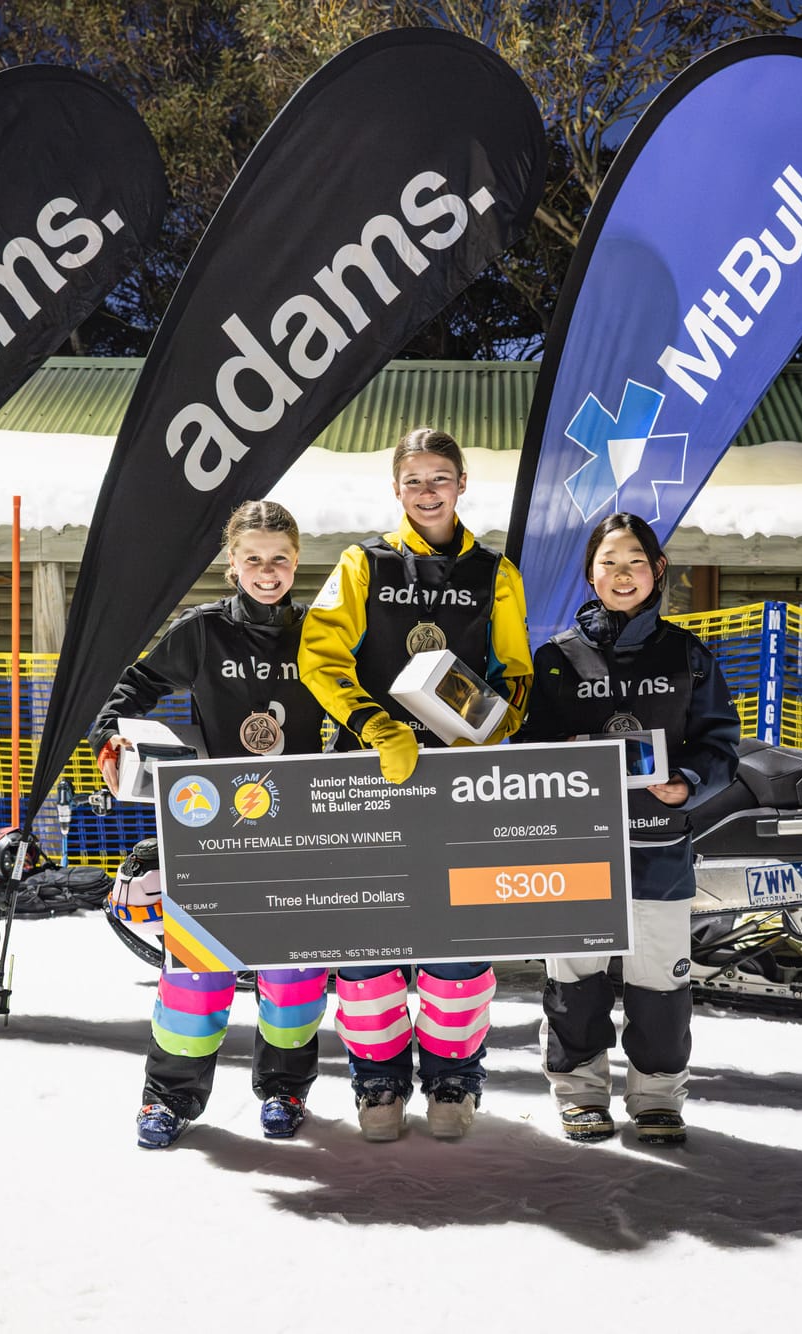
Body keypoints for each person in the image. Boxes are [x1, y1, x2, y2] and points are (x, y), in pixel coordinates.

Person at [298, 426, 531, 1142]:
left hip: (458, 783)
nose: (428, 492)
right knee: (369, 938)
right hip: (372, 774)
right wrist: (377, 727)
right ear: (395, 490)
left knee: (456, 937)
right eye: (414, 481)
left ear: (462, 484)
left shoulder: (497, 573)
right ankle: (378, 1081)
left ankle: (455, 1078)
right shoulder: (362, 563)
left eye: (440, 478)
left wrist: (497, 727)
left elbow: (513, 670)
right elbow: (320, 656)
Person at [87, 500, 330, 1149]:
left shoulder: (322, 633)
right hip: (212, 833)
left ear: (296, 560)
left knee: (294, 978)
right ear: (233, 563)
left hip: (297, 833)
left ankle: (283, 1090)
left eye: (279, 558)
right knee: (195, 979)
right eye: (254, 558)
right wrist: (111, 742)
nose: (268, 570)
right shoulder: (201, 631)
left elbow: (366, 709)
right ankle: (166, 1101)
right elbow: (129, 690)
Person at [515, 512, 738, 1145]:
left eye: (635, 561)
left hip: (658, 846)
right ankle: (582, 1093)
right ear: (590, 574)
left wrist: (688, 783)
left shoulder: (687, 655)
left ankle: (658, 1097)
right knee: (574, 979)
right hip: (576, 847)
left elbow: (720, 744)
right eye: (609, 562)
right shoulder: (555, 658)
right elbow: (530, 747)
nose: (623, 573)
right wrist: (564, 754)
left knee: (660, 983)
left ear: (657, 570)